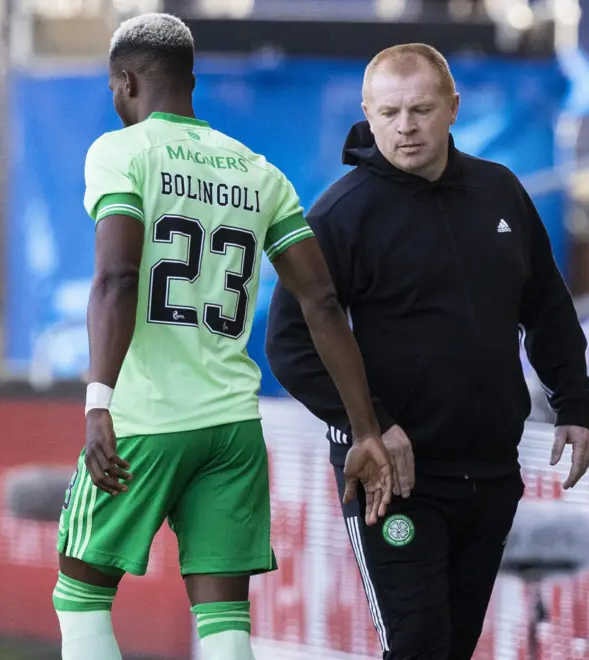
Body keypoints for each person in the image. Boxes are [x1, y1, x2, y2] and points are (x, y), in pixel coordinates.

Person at [53, 13, 393, 660]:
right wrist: (367, 428)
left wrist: (99, 400)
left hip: (142, 420)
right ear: (191, 81)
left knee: (81, 596)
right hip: (233, 427)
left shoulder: (120, 151)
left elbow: (118, 279)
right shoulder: (257, 171)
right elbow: (321, 300)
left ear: (124, 82)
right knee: (223, 617)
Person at [266, 43, 589, 660]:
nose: (405, 126)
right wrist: (371, 425)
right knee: (418, 643)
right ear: (367, 113)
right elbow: (289, 344)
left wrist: (576, 402)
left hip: (492, 473)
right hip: (394, 478)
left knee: (452, 647)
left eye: (421, 108)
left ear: (453, 108)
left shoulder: (499, 192)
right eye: (388, 112)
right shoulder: (341, 214)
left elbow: (547, 306)